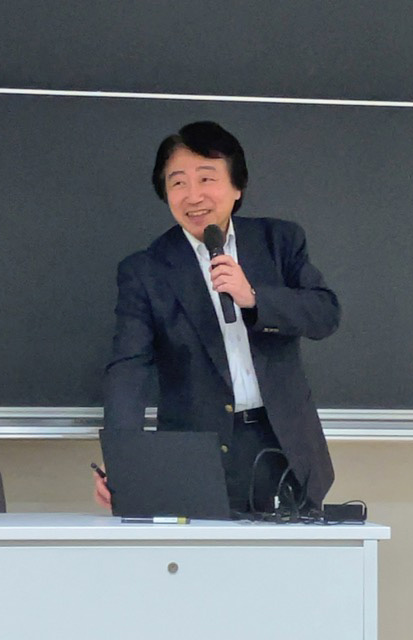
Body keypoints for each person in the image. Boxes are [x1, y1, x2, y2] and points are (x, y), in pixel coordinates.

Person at [95, 121, 340, 514]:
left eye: (206, 178)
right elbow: (128, 368)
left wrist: (254, 298)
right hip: (193, 457)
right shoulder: (146, 269)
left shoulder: (279, 242)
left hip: (285, 447)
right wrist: (124, 458)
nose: (193, 196)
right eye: (178, 182)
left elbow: (324, 314)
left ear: (237, 186)